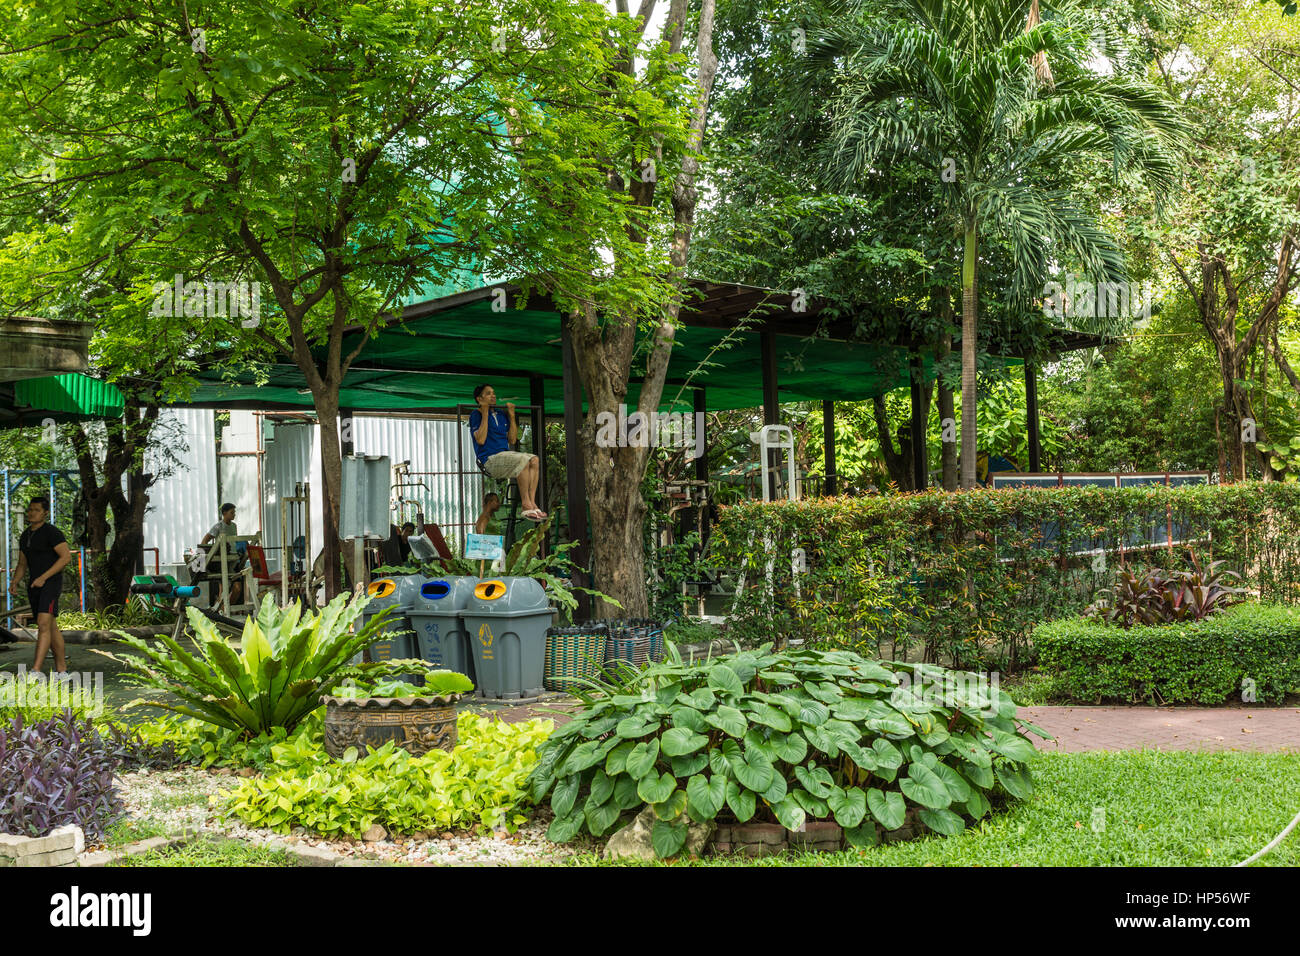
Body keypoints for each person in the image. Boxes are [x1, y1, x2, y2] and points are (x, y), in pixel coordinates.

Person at [7, 496, 72, 677]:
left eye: (36, 510)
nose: (31, 513)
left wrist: (44, 577)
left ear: (45, 513)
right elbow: (22, 564)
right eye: (30, 510)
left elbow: (66, 557)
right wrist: (15, 582)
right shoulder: (26, 535)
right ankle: (62, 670)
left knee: (43, 624)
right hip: (34, 585)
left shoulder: (52, 532)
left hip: (50, 584)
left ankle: (35, 670)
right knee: (50, 626)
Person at [468, 384, 546, 521]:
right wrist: (485, 412)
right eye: (488, 393)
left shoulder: (501, 414)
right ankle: (525, 504)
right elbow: (480, 440)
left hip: (505, 456)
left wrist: (511, 416)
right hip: (490, 460)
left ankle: (532, 502)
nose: (493, 395)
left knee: (534, 459)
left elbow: (512, 439)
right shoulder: (476, 414)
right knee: (523, 460)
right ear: (479, 399)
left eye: (493, 393)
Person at [199, 503, 244, 607]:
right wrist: (205, 555)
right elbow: (205, 539)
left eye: (234, 513)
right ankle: (221, 610)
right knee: (223, 587)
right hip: (222, 561)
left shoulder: (234, 526)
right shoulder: (218, 526)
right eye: (232, 512)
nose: (234, 515)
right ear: (224, 513)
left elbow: (234, 542)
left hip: (234, 559)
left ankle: (224, 608)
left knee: (237, 588)